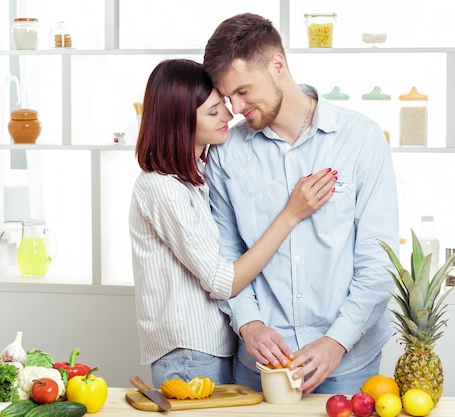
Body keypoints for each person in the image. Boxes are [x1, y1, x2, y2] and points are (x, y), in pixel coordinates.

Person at [202, 13, 399, 394]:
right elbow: (227, 255)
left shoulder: (361, 139)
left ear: (277, 65)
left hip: (348, 365)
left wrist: (337, 341)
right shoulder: (227, 153)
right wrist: (250, 324)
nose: (237, 107)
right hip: (259, 367)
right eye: (228, 97)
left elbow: (377, 261)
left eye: (243, 91)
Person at [129, 58, 338, 388]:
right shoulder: (161, 188)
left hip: (211, 350)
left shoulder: (192, 180)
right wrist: (290, 215)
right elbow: (222, 280)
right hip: (189, 355)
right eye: (213, 112)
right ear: (179, 123)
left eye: (223, 104)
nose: (229, 115)